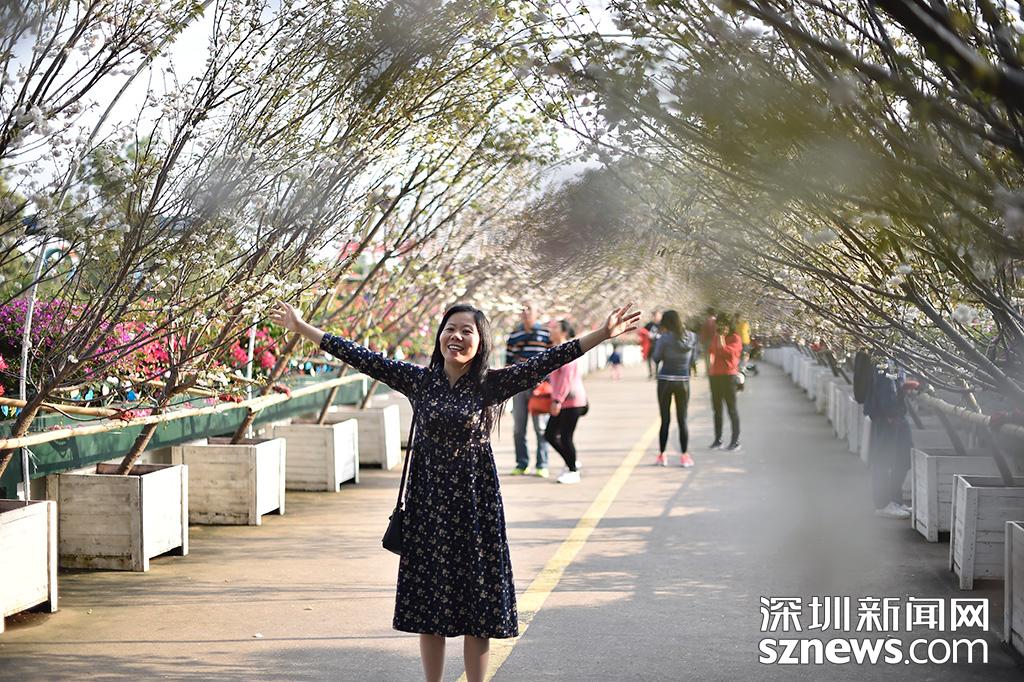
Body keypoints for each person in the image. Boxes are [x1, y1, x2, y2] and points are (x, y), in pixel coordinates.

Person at [270, 299, 641, 682]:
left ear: (481, 342)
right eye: (450, 329)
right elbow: (361, 357)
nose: (457, 337)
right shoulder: (419, 380)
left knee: (477, 610)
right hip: (427, 506)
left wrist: (602, 334)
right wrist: (301, 327)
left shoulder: (491, 384)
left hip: (475, 507)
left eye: (467, 331)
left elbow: (551, 359)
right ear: (439, 336)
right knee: (429, 609)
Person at [506, 301, 552, 477]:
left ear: (537, 312)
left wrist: (545, 381)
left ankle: (542, 464)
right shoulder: (514, 335)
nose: (525, 312)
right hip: (518, 387)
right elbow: (509, 361)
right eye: (522, 309)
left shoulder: (545, 334)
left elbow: (552, 360)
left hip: (539, 388)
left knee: (541, 428)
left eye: (529, 309)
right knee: (519, 429)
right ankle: (522, 463)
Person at [651, 310, 699, 467]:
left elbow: (656, 358)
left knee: (665, 419)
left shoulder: (664, 338)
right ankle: (685, 456)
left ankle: (662, 456)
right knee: (682, 419)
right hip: (683, 381)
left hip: (665, 380)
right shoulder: (692, 337)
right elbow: (694, 359)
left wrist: (659, 343)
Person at [545, 319, 589, 483]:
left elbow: (566, 378)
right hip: (562, 400)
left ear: (563, 332)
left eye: (555, 327)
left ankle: (573, 470)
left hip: (571, 401)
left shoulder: (567, 350)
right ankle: (571, 462)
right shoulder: (555, 350)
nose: (551, 330)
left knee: (565, 437)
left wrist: (557, 400)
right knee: (550, 435)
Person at [708, 313, 743, 451]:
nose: (721, 327)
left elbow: (725, 352)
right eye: (719, 324)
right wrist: (718, 336)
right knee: (717, 409)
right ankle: (718, 439)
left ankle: (735, 440)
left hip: (729, 376)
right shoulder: (716, 337)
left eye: (723, 324)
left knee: (731, 409)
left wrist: (721, 337)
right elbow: (712, 350)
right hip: (715, 376)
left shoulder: (735, 338)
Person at [643, 311, 662, 378]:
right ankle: (650, 373)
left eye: (659, 316)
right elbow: (643, 331)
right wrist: (648, 335)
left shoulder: (662, 325)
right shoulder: (649, 324)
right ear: (653, 317)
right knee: (649, 359)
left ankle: (657, 373)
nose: (658, 317)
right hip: (649, 345)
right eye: (657, 316)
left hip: (658, 344)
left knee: (657, 359)